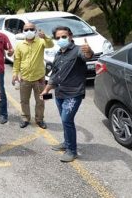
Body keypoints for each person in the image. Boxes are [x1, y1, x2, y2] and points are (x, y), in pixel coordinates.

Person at [40, 26, 93, 162]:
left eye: (64, 36)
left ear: (70, 36)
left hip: (74, 93)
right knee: (65, 121)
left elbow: (87, 56)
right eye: (58, 38)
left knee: (67, 120)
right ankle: (66, 143)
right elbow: (55, 76)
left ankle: (72, 151)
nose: (61, 39)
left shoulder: (78, 50)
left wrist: (89, 51)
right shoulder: (58, 54)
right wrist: (46, 90)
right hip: (60, 93)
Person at [12, 23, 54, 129]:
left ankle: (40, 119)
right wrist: (15, 74)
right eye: (26, 29)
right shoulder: (19, 45)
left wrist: (45, 36)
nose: (29, 31)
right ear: (23, 31)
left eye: (31, 29)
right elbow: (17, 61)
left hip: (39, 78)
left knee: (41, 100)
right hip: (25, 78)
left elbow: (51, 45)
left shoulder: (41, 42)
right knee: (24, 101)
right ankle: (25, 118)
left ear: (35, 31)